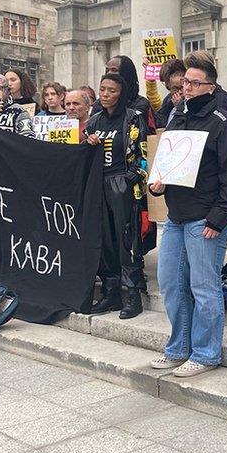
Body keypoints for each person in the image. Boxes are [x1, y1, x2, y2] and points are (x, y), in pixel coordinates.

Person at [148, 55, 227, 378]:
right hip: (177, 215)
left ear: (211, 85)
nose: (186, 88)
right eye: (183, 83)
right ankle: (179, 346)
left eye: (193, 83)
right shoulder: (178, 114)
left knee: (204, 288)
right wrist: (158, 182)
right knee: (171, 284)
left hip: (205, 218)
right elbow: (169, 158)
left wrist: (218, 219)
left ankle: (206, 352)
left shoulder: (222, 121)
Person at [84, 73, 149, 319]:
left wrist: (134, 176)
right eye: (102, 89)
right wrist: (87, 141)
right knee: (104, 239)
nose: (106, 94)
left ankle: (133, 295)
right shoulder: (95, 120)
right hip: (99, 184)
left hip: (123, 183)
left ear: (121, 93)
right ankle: (111, 293)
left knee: (126, 239)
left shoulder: (133, 118)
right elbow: (85, 153)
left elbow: (144, 151)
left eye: (112, 90)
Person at [148, 58, 186, 128]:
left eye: (182, 87)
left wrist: (180, 109)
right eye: (175, 89)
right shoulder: (168, 102)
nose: (180, 92)